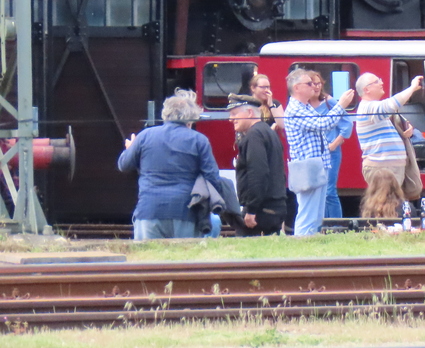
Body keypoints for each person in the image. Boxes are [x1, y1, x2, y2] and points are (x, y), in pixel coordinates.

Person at [117, 89, 222, 240]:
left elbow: (124, 165)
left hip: (149, 209)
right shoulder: (199, 140)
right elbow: (212, 177)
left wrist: (129, 149)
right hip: (186, 211)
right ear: (191, 118)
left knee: (148, 254)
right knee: (186, 254)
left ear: (165, 113)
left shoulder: (145, 136)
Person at [283, 67, 356, 236]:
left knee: (316, 215)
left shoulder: (305, 107)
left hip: (316, 165)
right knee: (307, 213)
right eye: (309, 83)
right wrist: (341, 105)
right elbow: (322, 124)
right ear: (297, 88)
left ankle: (310, 242)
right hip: (307, 167)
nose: (314, 86)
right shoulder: (295, 109)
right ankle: (301, 244)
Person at [353, 71, 425, 196]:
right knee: (387, 204)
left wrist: (406, 128)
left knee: (393, 203)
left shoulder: (374, 109)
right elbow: (391, 105)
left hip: (389, 167)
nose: (381, 83)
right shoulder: (367, 107)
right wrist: (412, 88)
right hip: (382, 168)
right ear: (366, 89)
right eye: (376, 81)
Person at [228, 100, 287, 235]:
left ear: (250, 113)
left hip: (261, 211)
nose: (231, 119)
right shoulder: (267, 131)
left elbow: (258, 173)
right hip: (274, 206)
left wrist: (251, 210)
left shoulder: (254, 135)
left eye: (235, 114)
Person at [311, 72, 354, 220]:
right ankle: (321, 223)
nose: (317, 87)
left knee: (329, 191)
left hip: (331, 152)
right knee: (317, 191)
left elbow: (347, 124)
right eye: (313, 84)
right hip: (313, 153)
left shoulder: (329, 102)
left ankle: (337, 225)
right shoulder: (303, 106)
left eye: (319, 83)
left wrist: (334, 144)